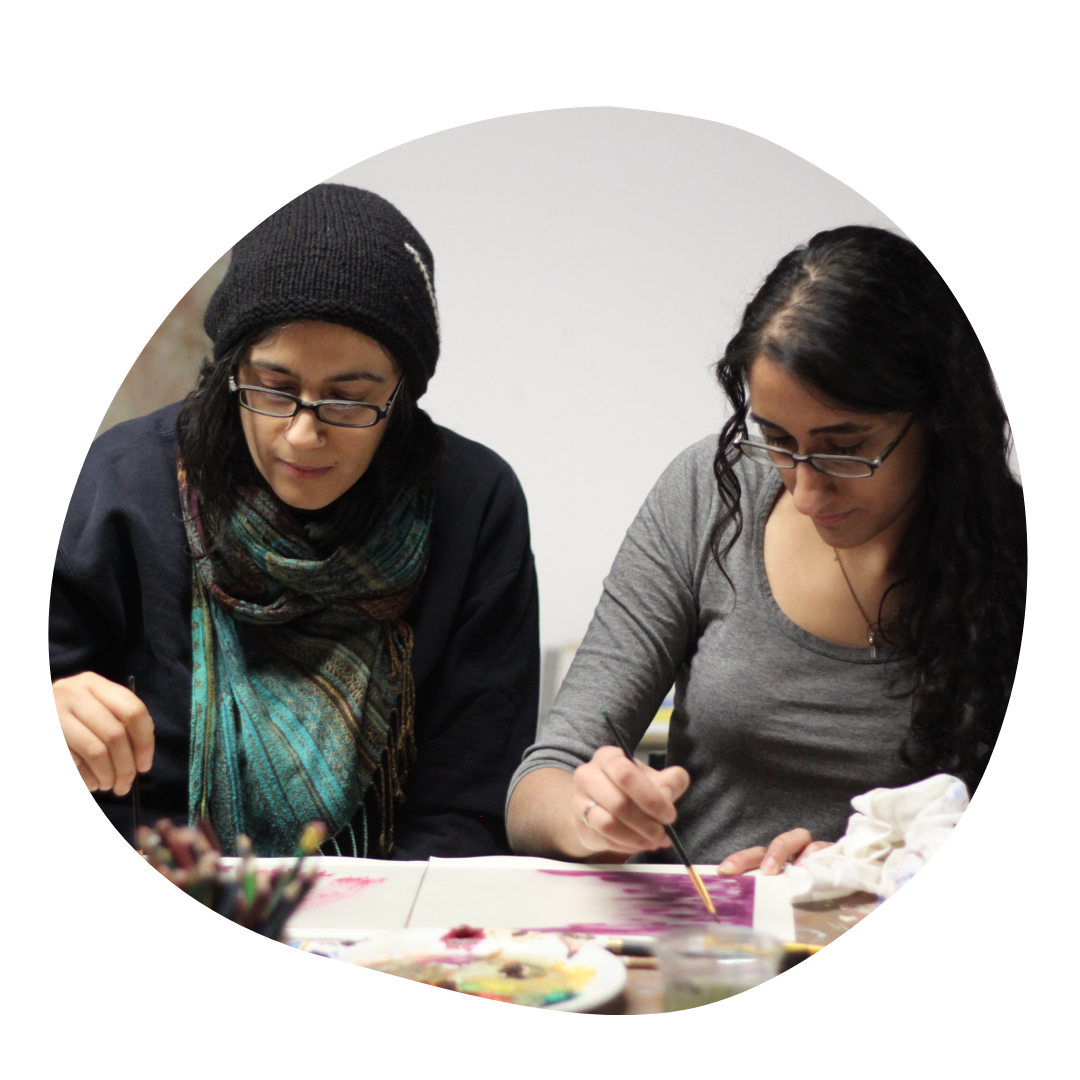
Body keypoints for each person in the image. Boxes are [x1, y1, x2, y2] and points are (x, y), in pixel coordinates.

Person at [506, 225, 1024, 874]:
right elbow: (540, 785)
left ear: (939, 414)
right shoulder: (711, 496)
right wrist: (593, 815)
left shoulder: (1010, 557)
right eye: (777, 441)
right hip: (694, 945)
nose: (806, 492)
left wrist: (867, 866)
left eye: (844, 446)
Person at [52, 184, 540, 859]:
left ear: (401, 395)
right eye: (274, 389)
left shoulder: (473, 505)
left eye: (349, 400)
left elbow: (469, 800)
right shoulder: (120, 485)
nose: (303, 434)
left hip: (395, 911)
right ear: (229, 371)